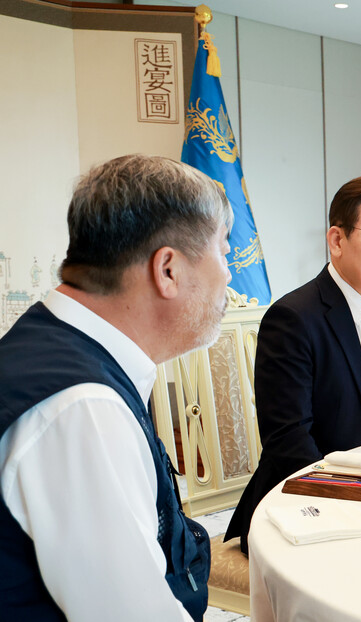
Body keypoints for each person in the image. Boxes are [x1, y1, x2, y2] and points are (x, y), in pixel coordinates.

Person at [0, 154, 233, 621]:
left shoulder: (56, 344)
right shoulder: (82, 410)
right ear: (168, 269)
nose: (229, 274)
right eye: (223, 250)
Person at [226, 173, 361, 552]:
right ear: (337, 240)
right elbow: (290, 443)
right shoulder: (294, 319)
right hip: (307, 508)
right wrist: (359, 505)